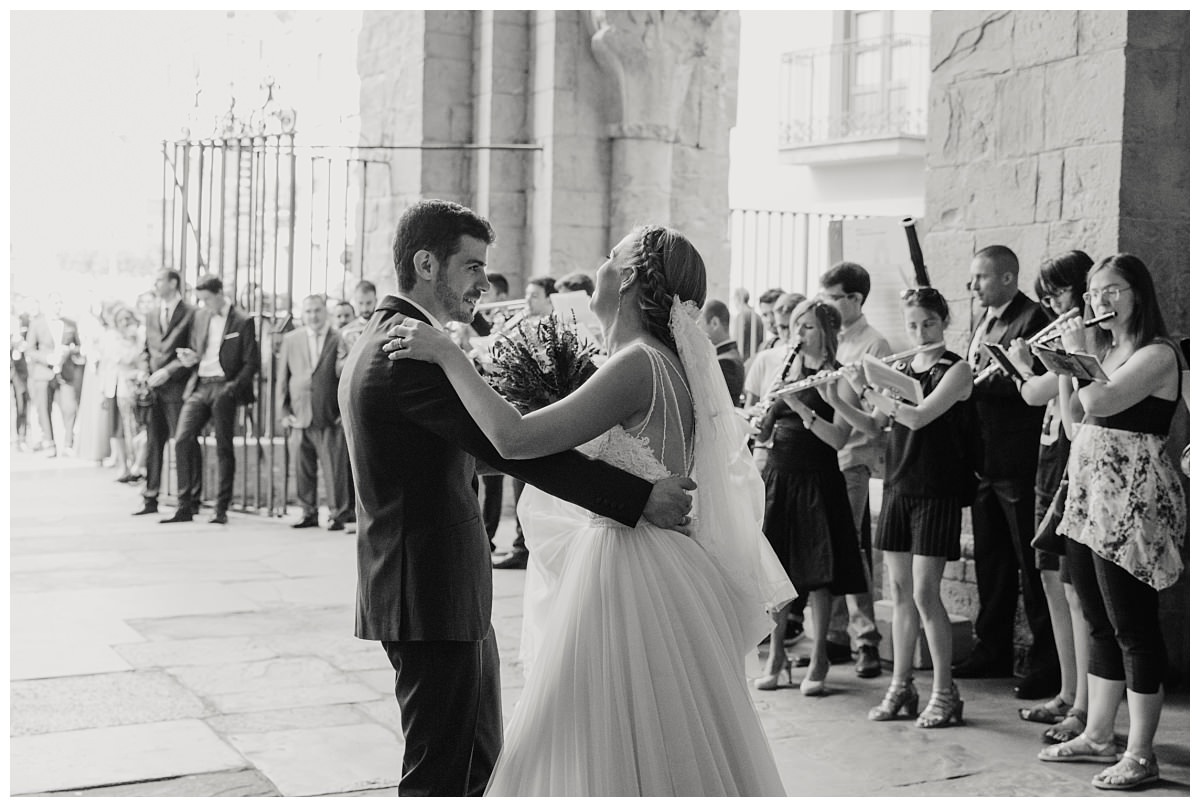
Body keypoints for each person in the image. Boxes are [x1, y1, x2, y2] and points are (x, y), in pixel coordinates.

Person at [384, 220, 792, 796]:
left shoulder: (638, 363)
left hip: (623, 566)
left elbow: (517, 441)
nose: (599, 265)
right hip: (662, 560)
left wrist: (452, 357)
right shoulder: (661, 362)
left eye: (610, 255)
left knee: (589, 729)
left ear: (627, 278)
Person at [337, 201, 698, 797]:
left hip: (436, 587)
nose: (484, 282)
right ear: (427, 264)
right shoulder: (408, 355)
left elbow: (472, 449)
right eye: (473, 265)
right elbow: (507, 448)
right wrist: (636, 498)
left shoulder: (396, 341)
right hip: (426, 591)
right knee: (441, 773)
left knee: (475, 762)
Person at [1037, 254, 1187, 791]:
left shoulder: (1157, 354)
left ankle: (1142, 752)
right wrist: (1062, 368)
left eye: (1113, 291)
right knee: (1099, 622)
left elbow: (1101, 398)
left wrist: (1075, 354)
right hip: (1089, 496)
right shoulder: (1104, 349)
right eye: (1094, 293)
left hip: (1133, 502)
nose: (1100, 302)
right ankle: (1099, 733)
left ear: (1139, 295)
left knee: (1134, 627)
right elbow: (1077, 424)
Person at [833, 287, 973, 728]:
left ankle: (945, 693)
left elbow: (918, 416)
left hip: (936, 490)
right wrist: (843, 394)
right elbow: (875, 426)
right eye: (912, 326)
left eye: (927, 324)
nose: (919, 333)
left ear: (943, 322)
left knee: (925, 593)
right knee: (896, 594)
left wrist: (872, 389)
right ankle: (901, 686)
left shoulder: (958, 370)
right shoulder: (900, 368)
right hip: (897, 485)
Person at [956, 245, 1058, 702]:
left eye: (980, 277)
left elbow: (1023, 382)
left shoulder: (1032, 319)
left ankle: (1045, 662)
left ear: (1007, 278)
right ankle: (991, 648)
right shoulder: (986, 319)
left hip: (1017, 460)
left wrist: (964, 389)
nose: (973, 285)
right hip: (983, 459)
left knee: (1029, 565)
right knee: (991, 561)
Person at [753, 299, 867, 696]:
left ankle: (818, 657)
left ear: (827, 333)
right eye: (796, 327)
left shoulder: (838, 379)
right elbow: (765, 432)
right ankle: (777, 658)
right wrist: (760, 418)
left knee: (819, 575)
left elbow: (838, 439)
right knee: (778, 571)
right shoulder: (785, 372)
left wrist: (801, 405)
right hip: (781, 477)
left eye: (807, 328)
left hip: (818, 480)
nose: (797, 335)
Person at [1005, 251, 1094, 743]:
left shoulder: (1091, 336)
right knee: (1050, 584)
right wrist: (1026, 364)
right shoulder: (1065, 331)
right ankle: (1066, 691)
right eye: (1046, 295)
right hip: (1046, 462)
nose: (1051, 303)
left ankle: (1083, 706)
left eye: (1057, 292)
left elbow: (1055, 396)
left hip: (1072, 462)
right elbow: (1036, 394)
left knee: (1075, 592)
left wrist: (1030, 363)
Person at [819, 261, 891, 679]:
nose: (824, 304)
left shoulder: (873, 345)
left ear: (855, 300)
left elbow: (875, 411)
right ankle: (834, 636)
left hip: (853, 457)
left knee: (851, 548)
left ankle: (865, 638)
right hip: (819, 456)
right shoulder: (826, 336)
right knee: (825, 546)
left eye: (832, 297)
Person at [161, 274, 259, 525]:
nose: (203, 304)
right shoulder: (201, 316)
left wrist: (231, 389)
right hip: (200, 383)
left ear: (219, 294)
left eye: (206, 299)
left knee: (224, 447)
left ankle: (221, 508)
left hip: (224, 386)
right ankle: (186, 504)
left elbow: (251, 363)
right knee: (182, 439)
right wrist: (191, 358)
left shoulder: (243, 320)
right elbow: (200, 348)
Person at [493, 275, 560, 571]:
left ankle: (529, 545)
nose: (527, 302)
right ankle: (523, 543)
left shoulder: (560, 331)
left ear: (550, 299)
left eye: (534, 296)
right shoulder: (525, 328)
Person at [278, 294, 354, 531]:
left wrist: (345, 411)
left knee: (335, 469)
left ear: (325, 312)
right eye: (309, 311)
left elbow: (347, 377)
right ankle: (307, 511)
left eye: (317, 310)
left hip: (328, 413)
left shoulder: (338, 337)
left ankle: (338, 513)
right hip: (299, 413)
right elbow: (282, 377)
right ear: (303, 314)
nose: (313, 315)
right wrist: (283, 410)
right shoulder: (291, 339)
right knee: (303, 467)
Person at [133, 269, 195, 516]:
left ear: (173, 282)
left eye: (159, 280)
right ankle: (150, 498)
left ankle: (186, 501)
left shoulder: (190, 313)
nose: (155, 284)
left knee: (182, 443)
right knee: (153, 443)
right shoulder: (151, 314)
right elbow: (146, 349)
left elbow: (193, 349)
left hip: (177, 386)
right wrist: (144, 371)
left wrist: (169, 371)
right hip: (154, 388)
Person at [26, 294, 83, 456]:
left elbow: (79, 347)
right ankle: (49, 443)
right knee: (44, 408)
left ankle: (68, 443)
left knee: (70, 407)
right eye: (54, 303)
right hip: (44, 373)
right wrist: (47, 358)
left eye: (60, 303)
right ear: (47, 305)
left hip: (66, 372)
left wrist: (70, 351)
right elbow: (30, 350)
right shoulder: (37, 324)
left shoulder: (71, 323)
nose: (57, 306)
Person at [699, 299, 745, 404]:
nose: (698, 329)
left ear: (715, 323)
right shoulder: (731, 355)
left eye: (700, 323)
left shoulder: (726, 362)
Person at [340, 280, 377, 349]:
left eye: (369, 303)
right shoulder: (346, 332)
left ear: (375, 300)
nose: (365, 309)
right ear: (355, 302)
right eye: (360, 303)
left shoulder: (384, 326)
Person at [731, 287, 765, 362]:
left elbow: (736, 342)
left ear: (737, 299)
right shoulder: (758, 317)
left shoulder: (741, 317)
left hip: (743, 361)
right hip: (756, 360)